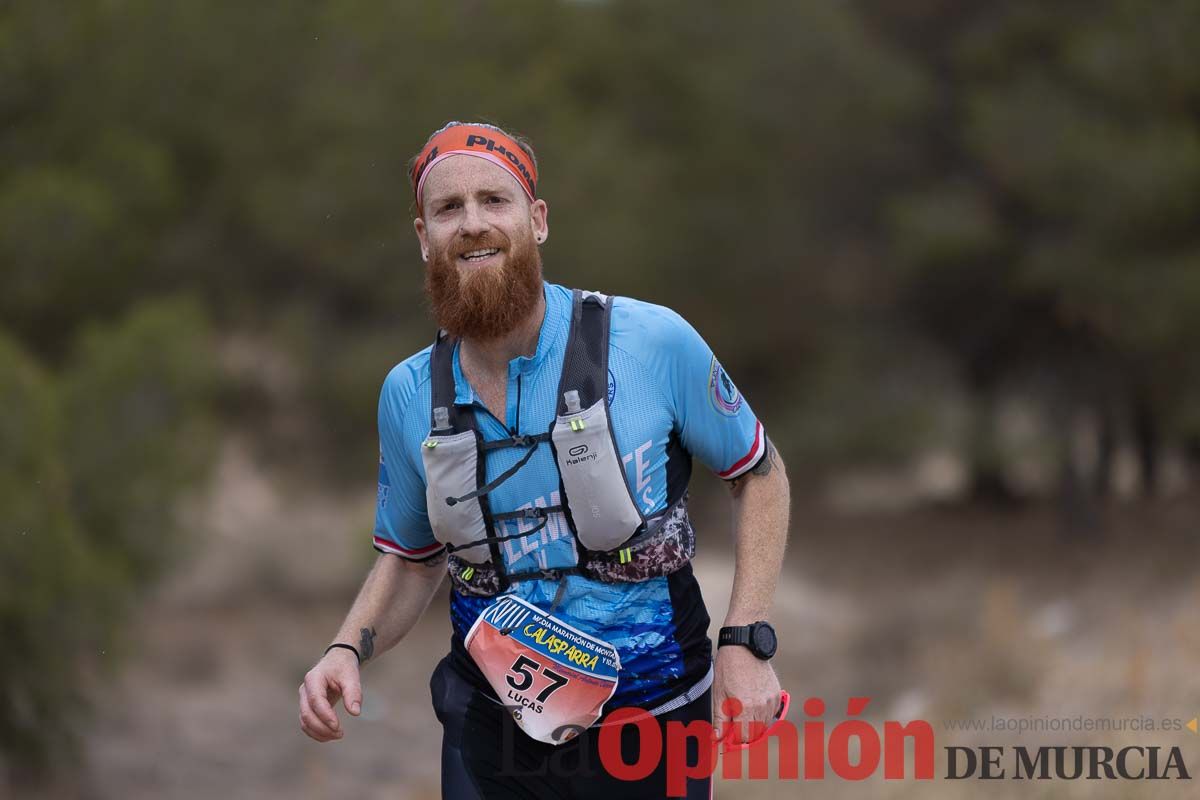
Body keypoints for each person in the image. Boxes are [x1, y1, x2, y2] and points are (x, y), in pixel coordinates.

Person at [297, 121, 791, 798]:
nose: (471, 224)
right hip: (488, 731)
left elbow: (759, 476)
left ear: (537, 220)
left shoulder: (651, 342)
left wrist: (747, 639)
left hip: (651, 724)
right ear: (423, 238)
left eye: (493, 201)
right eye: (448, 209)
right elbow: (414, 557)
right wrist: (344, 650)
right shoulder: (409, 393)